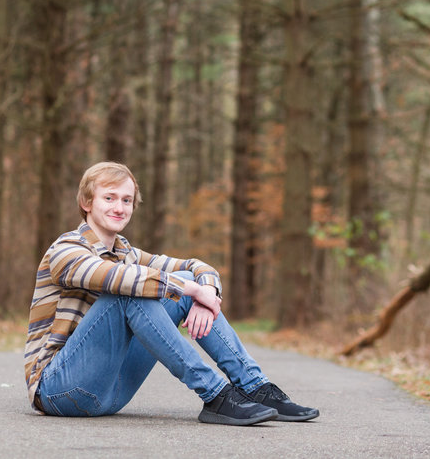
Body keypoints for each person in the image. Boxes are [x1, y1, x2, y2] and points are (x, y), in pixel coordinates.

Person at [24, 161, 319, 425]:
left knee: (184, 278)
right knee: (131, 289)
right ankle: (215, 394)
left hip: (112, 394)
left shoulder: (127, 253)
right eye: (109, 198)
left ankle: (255, 387)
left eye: (127, 200)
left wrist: (203, 294)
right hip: (59, 390)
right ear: (87, 202)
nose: (119, 208)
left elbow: (196, 267)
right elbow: (117, 278)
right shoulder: (65, 250)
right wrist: (189, 289)